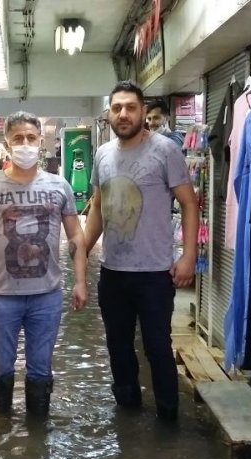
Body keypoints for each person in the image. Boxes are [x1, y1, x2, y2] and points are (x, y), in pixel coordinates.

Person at [0, 111, 87, 416]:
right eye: (18, 138)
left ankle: (37, 432)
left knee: (41, 368)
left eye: (31, 138)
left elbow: (76, 236)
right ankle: (2, 427)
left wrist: (80, 281)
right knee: (0, 367)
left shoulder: (59, 186)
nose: (25, 144)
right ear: (7, 144)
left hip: (47, 295)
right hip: (1, 296)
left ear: (40, 142)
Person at [85, 80, 199, 421]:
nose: (123, 114)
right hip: (112, 273)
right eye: (117, 108)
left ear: (143, 111)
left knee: (157, 347)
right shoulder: (103, 154)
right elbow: (98, 206)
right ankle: (128, 416)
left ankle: (168, 418)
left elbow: (189, 203)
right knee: (118, 347)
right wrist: (81, 250)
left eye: (130, 107)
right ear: (109, 113)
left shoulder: (166, 151)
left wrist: (188, 256)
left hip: (154, 273)